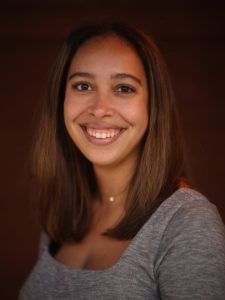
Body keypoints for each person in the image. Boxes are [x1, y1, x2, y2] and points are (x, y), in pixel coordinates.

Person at [19, 22, 225, 300]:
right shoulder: (63, 209)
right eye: (82, 85)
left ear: (153, 106)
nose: (100, 109)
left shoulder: (187, 223)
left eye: (124, 88)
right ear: (60, 99)